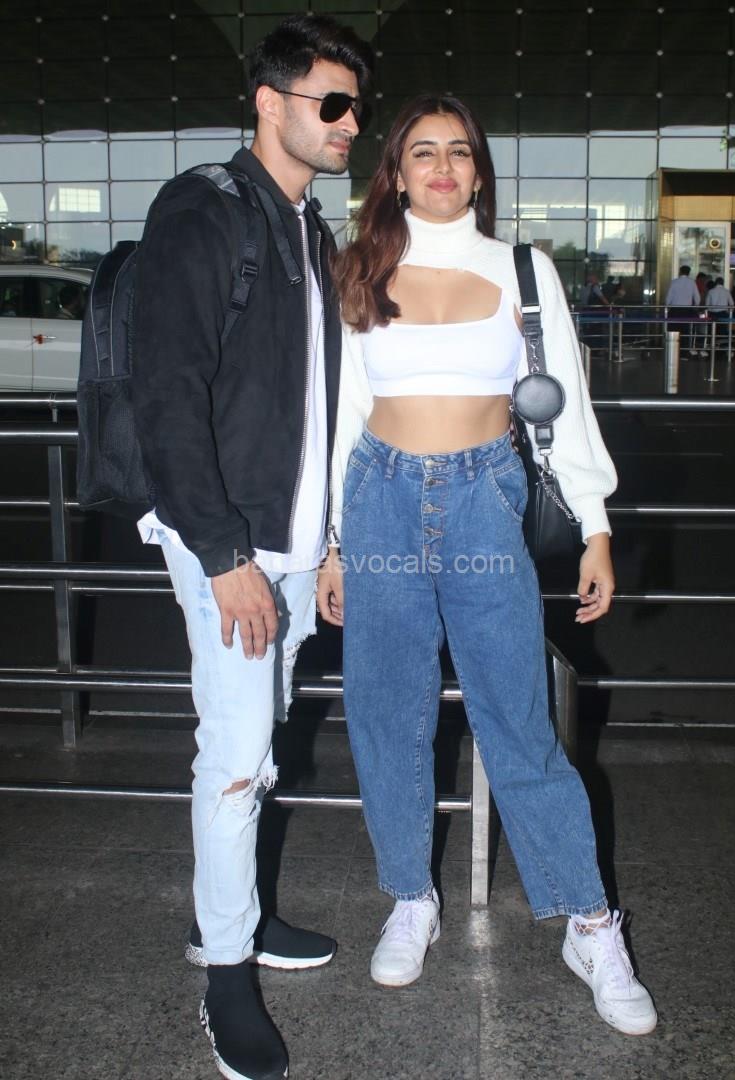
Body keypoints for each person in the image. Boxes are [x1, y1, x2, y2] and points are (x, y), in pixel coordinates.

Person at [318, 94, 657, 1037]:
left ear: (477, 172)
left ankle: (589, 922)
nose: (441, 167)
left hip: (482, 497)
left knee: (516, 717)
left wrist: (593, 526)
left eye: (458, 152)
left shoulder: (521, 268)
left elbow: (562, 404)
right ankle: (409, 897)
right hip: (379, 494)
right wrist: (333, 544)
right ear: (394, 173)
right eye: (422, 152)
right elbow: (341, 413)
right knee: (386, 714)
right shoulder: (359, 267)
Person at [131, 16, 372, 1080]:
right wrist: (226, 555)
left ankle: (230, 914)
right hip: (226, 541)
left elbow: (316, 408)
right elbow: (167, 394)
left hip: (286, 542)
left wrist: (325, 545)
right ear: (269, 102)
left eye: (355, 105)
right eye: (332, 102)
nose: (350, 122)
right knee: (233, 758)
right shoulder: (205, 210)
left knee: (260, 742)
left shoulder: (307, 231)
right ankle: (225, 973)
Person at [666, 265, 701, 356]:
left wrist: (667, 306)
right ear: (689, 273)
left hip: (675, 311)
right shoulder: (692, 283)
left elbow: (669, 297)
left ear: (680, 272)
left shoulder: (674, 282)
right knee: (685, 332)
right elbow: (697, 297)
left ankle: (673, 352)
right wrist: (696, 306)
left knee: (674, 331)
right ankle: (684, 352)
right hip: (687, 311)